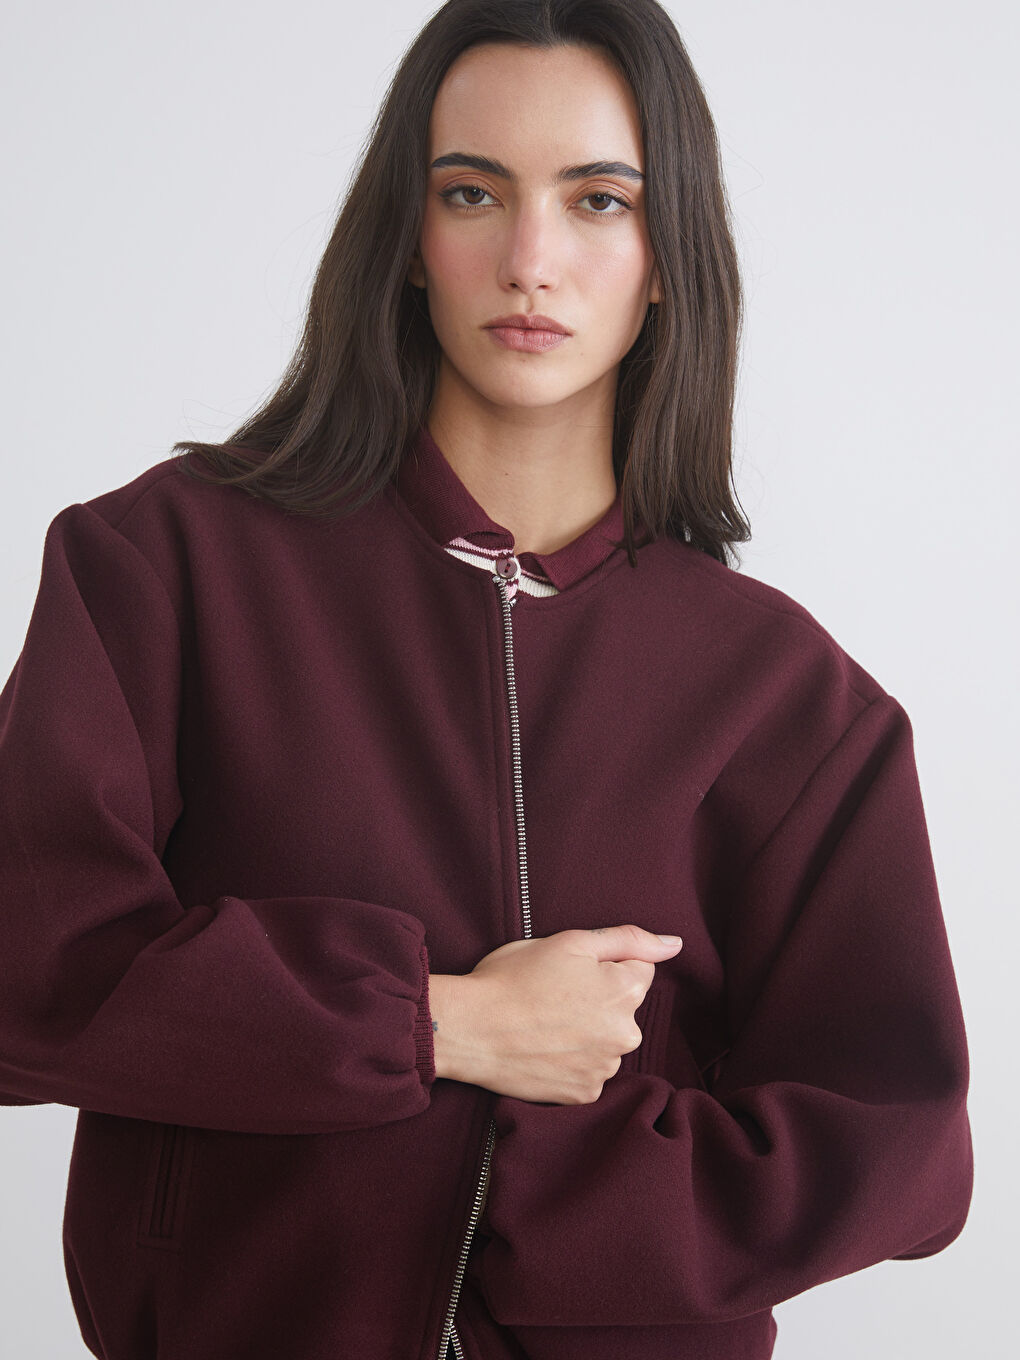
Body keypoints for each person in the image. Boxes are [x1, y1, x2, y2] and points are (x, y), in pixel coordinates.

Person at [0, 1, 972, 1357]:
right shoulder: (167, 567)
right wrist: (431, 1024)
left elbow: (902, 1140)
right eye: (473, 193)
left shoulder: (786, 696)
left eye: (598, 200)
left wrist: (553, 1199)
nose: (530, 260)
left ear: (667, 260)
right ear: (408, 237)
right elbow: (31, 966)